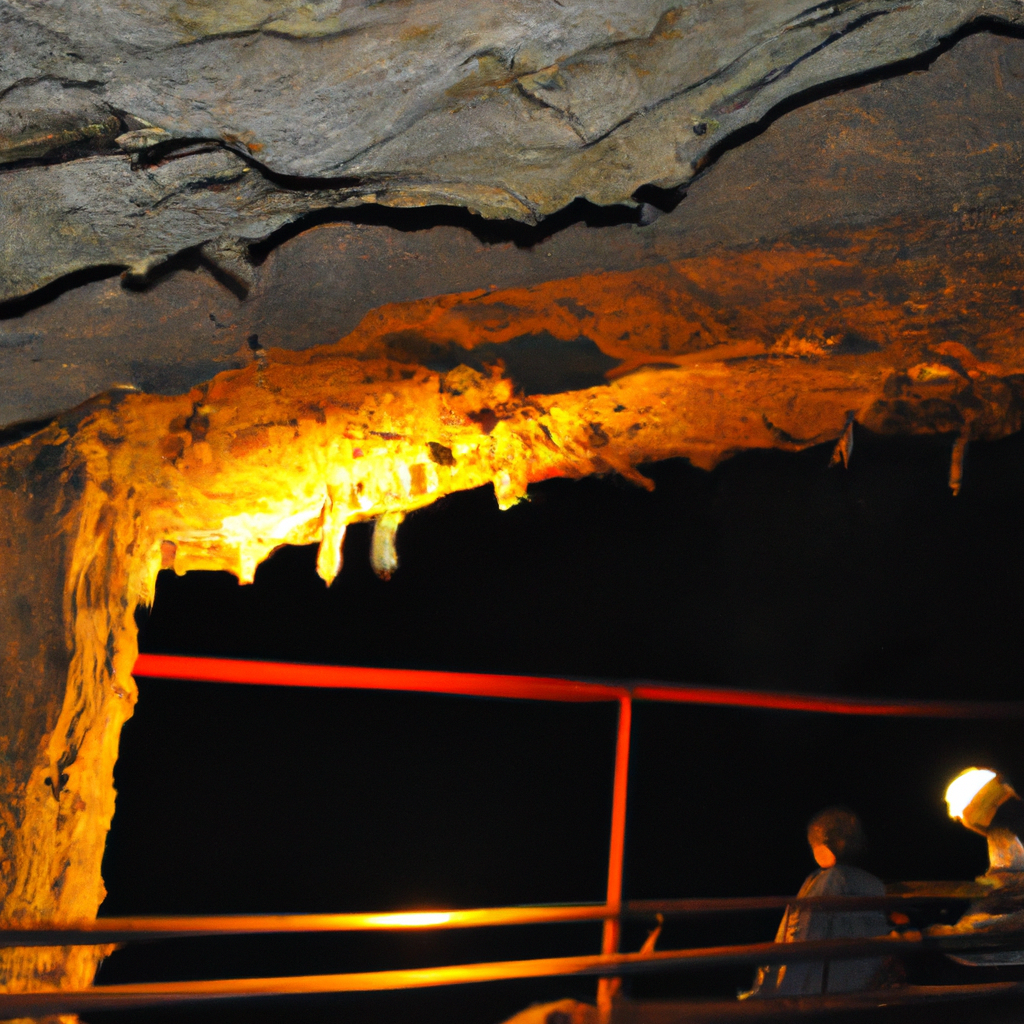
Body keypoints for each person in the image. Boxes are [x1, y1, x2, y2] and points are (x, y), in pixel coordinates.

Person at [743, 807, 891, 997]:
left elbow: (801, 935)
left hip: (818, 991)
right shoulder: (875, 884)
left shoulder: (826, 882)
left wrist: (774, 993)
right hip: (858, 991)